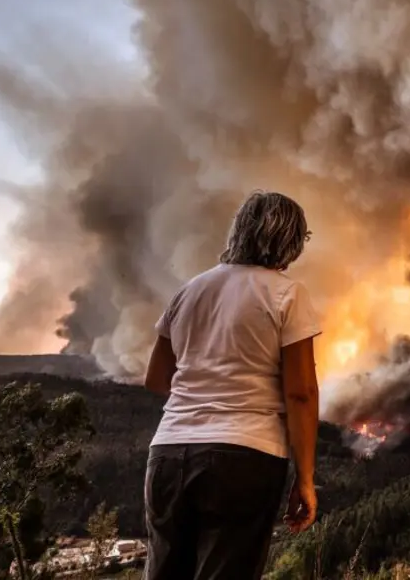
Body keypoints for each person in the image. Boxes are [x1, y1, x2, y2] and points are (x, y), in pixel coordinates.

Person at [142, 191, 322, 580]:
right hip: (244, 457)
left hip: (168, 455)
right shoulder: (287, 294)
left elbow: (156, 379)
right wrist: (305, 480)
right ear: (291, 241)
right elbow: (301, 393)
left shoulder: (189, 291)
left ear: (239, 231)